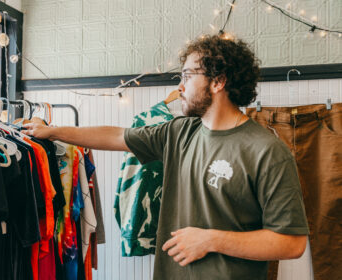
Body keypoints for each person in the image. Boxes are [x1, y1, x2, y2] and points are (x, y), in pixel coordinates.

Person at [23, 35, 309, 280]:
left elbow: (291, 242)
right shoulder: (179, 132)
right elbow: (117, 136)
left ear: (218, 82)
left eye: (187, 76)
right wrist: (53, 131)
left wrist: (212, 239)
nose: (180, 87)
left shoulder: (267, 151)